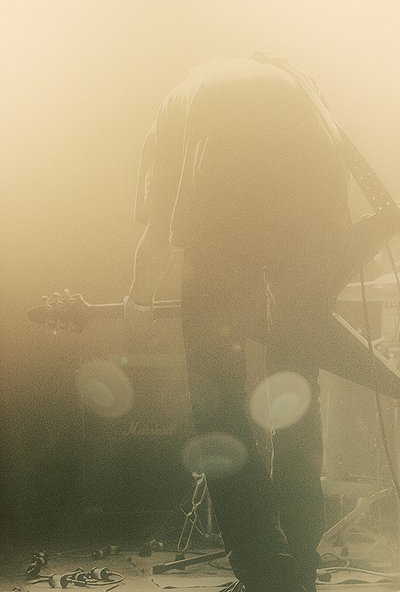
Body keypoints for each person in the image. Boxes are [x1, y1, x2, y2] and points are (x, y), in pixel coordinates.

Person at [125, 54, 354, 592]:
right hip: (311, 229)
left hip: (221, 227)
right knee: (298, 392)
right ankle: (300, 564)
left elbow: (158, 227)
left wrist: (137, 298)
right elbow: (337, 213)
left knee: (218, 403)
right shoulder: (301, 84)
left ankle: (263, 571)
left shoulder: (181, 98)